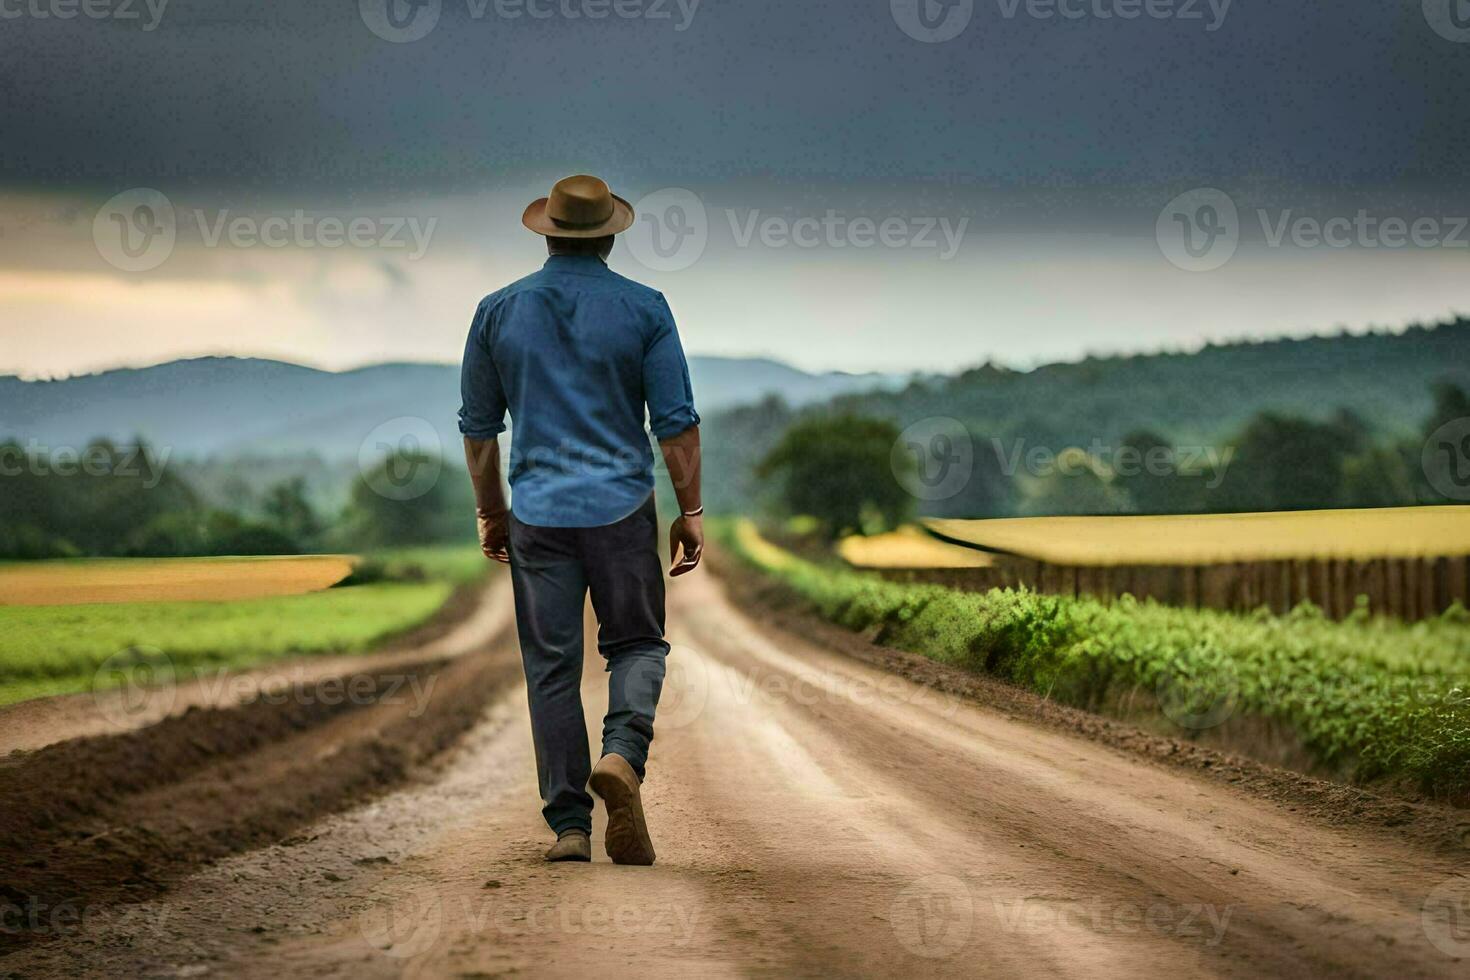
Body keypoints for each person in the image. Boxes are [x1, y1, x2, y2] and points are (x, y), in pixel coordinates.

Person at [458, 174, 704, 866]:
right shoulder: (646, 308)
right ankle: (622, 755)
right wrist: (691, 511)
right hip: (623, 509)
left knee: (550, 668)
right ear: (610, 235)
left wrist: (491, 514)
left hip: (537, 512)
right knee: (637, 645)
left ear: (548, 232)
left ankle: (570, 827)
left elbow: (479, 430)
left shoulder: (495, 312)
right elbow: (676, 426)